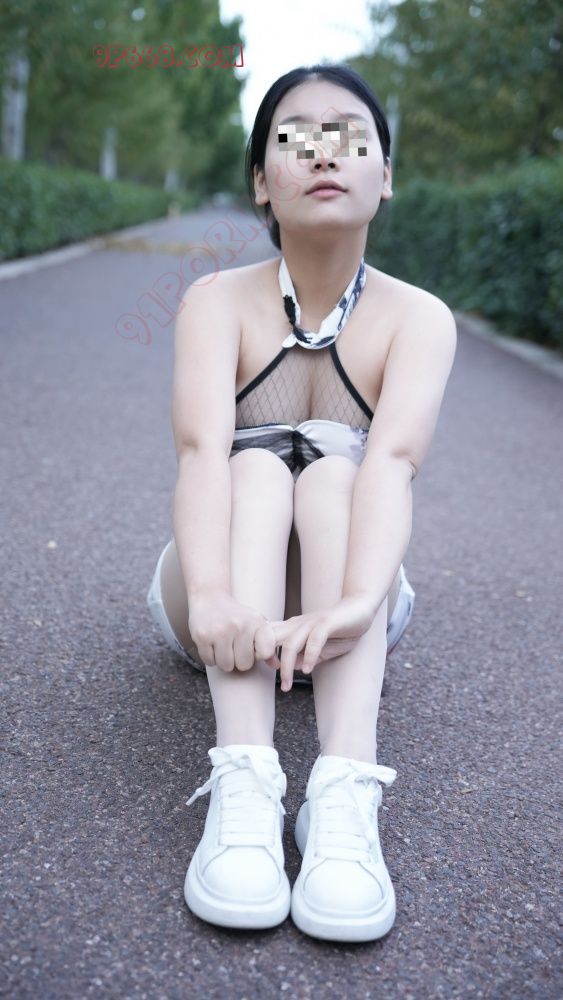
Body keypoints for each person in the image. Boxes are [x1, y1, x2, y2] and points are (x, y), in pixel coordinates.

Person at [146, 63, 457, 943]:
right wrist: (210, 594)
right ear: (261, 180)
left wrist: (361, 602)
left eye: (349, 137)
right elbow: (200, 455)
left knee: (335, 474)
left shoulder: (418, 318)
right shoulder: (216, 302)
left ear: (384, 176)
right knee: (252, 468)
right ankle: (244, 783)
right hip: (213, 597)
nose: (324, 154)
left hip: (350, 605)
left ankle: (343, 797)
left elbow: (392, 465)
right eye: (296, 138)